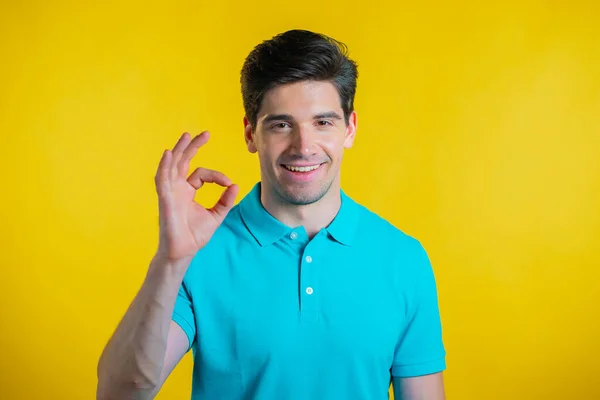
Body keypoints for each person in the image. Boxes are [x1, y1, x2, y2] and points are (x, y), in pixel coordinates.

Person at [96, 29, 446, 400]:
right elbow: (120, 393)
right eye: (281, 124)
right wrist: (170, 260)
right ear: (250, 134)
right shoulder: (199, 252)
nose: (304, 146)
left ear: (350, 128)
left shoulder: (404, 259)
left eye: (323, 122)